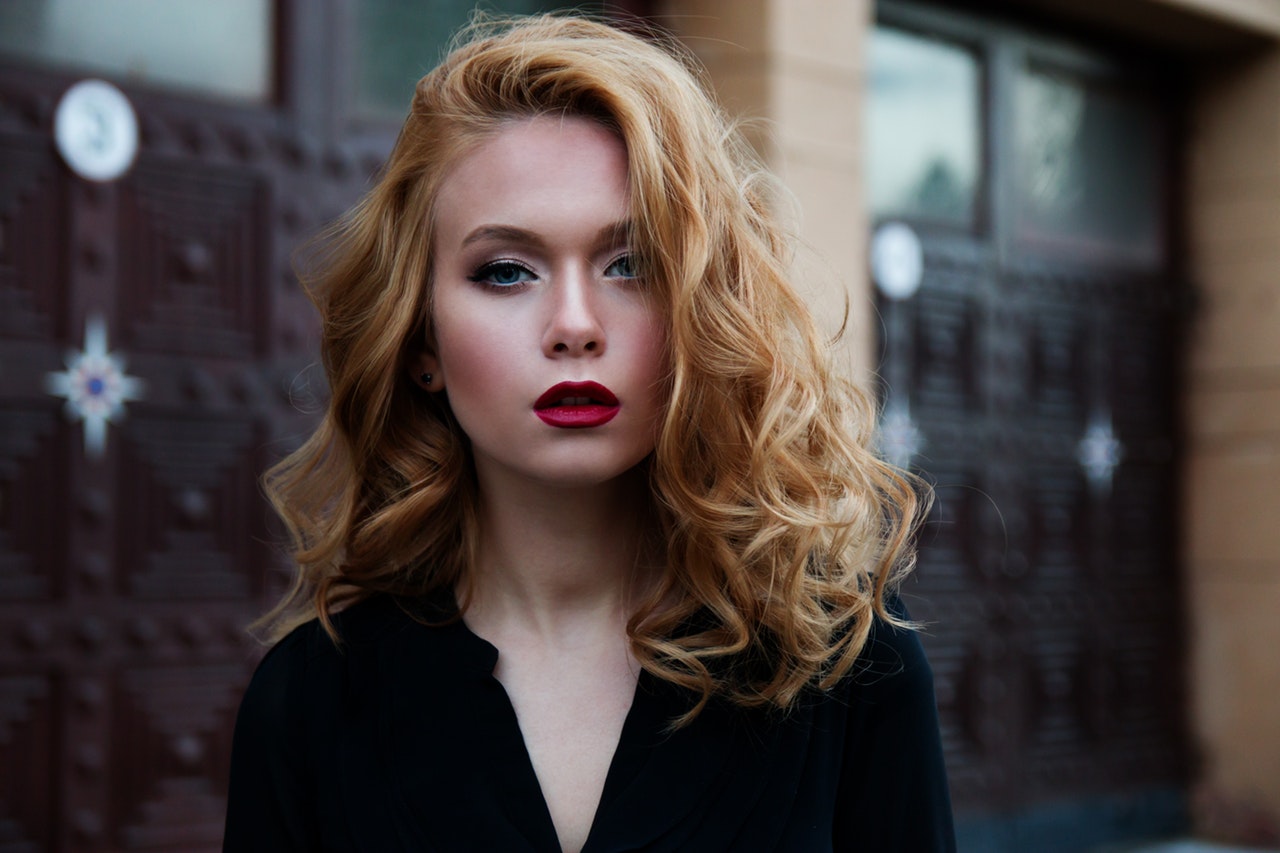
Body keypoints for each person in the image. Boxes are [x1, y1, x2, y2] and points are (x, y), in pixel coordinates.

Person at [223, 13, 954, 853]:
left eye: (631, 263)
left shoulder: (844, 657)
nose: (574, 326)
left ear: (697, 312)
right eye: (506, 271)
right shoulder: (309, 699)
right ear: (422, 338)